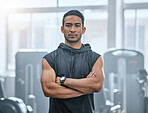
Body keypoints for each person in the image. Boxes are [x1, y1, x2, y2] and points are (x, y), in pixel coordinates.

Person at [41, 10, 104, 113]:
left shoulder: (95, 58)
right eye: (68, 25)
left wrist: (63, 81)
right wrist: (84, 89)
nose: (72, 30)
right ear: (62, 29)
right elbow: (48, 90)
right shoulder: (49, 59)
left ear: (83, 30)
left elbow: (96, 85)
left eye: (77, 26)